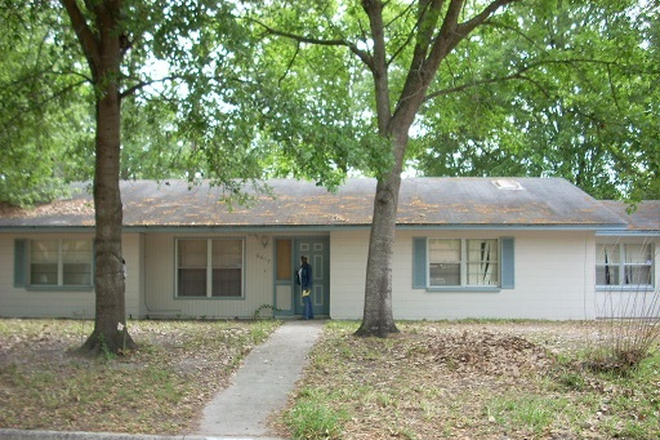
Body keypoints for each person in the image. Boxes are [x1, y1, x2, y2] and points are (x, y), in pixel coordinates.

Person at [296, 255, 313, 320]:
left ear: (306, 260)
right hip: (303, 285)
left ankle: (306, 316)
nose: (303, 260)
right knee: (307, 300)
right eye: (302, 259)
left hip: (306, 286)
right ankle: (310, 315)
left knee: (306, 300)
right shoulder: (302, 267)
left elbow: (310, 277)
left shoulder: (308, 267)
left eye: (304, 259)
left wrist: (308, 286)